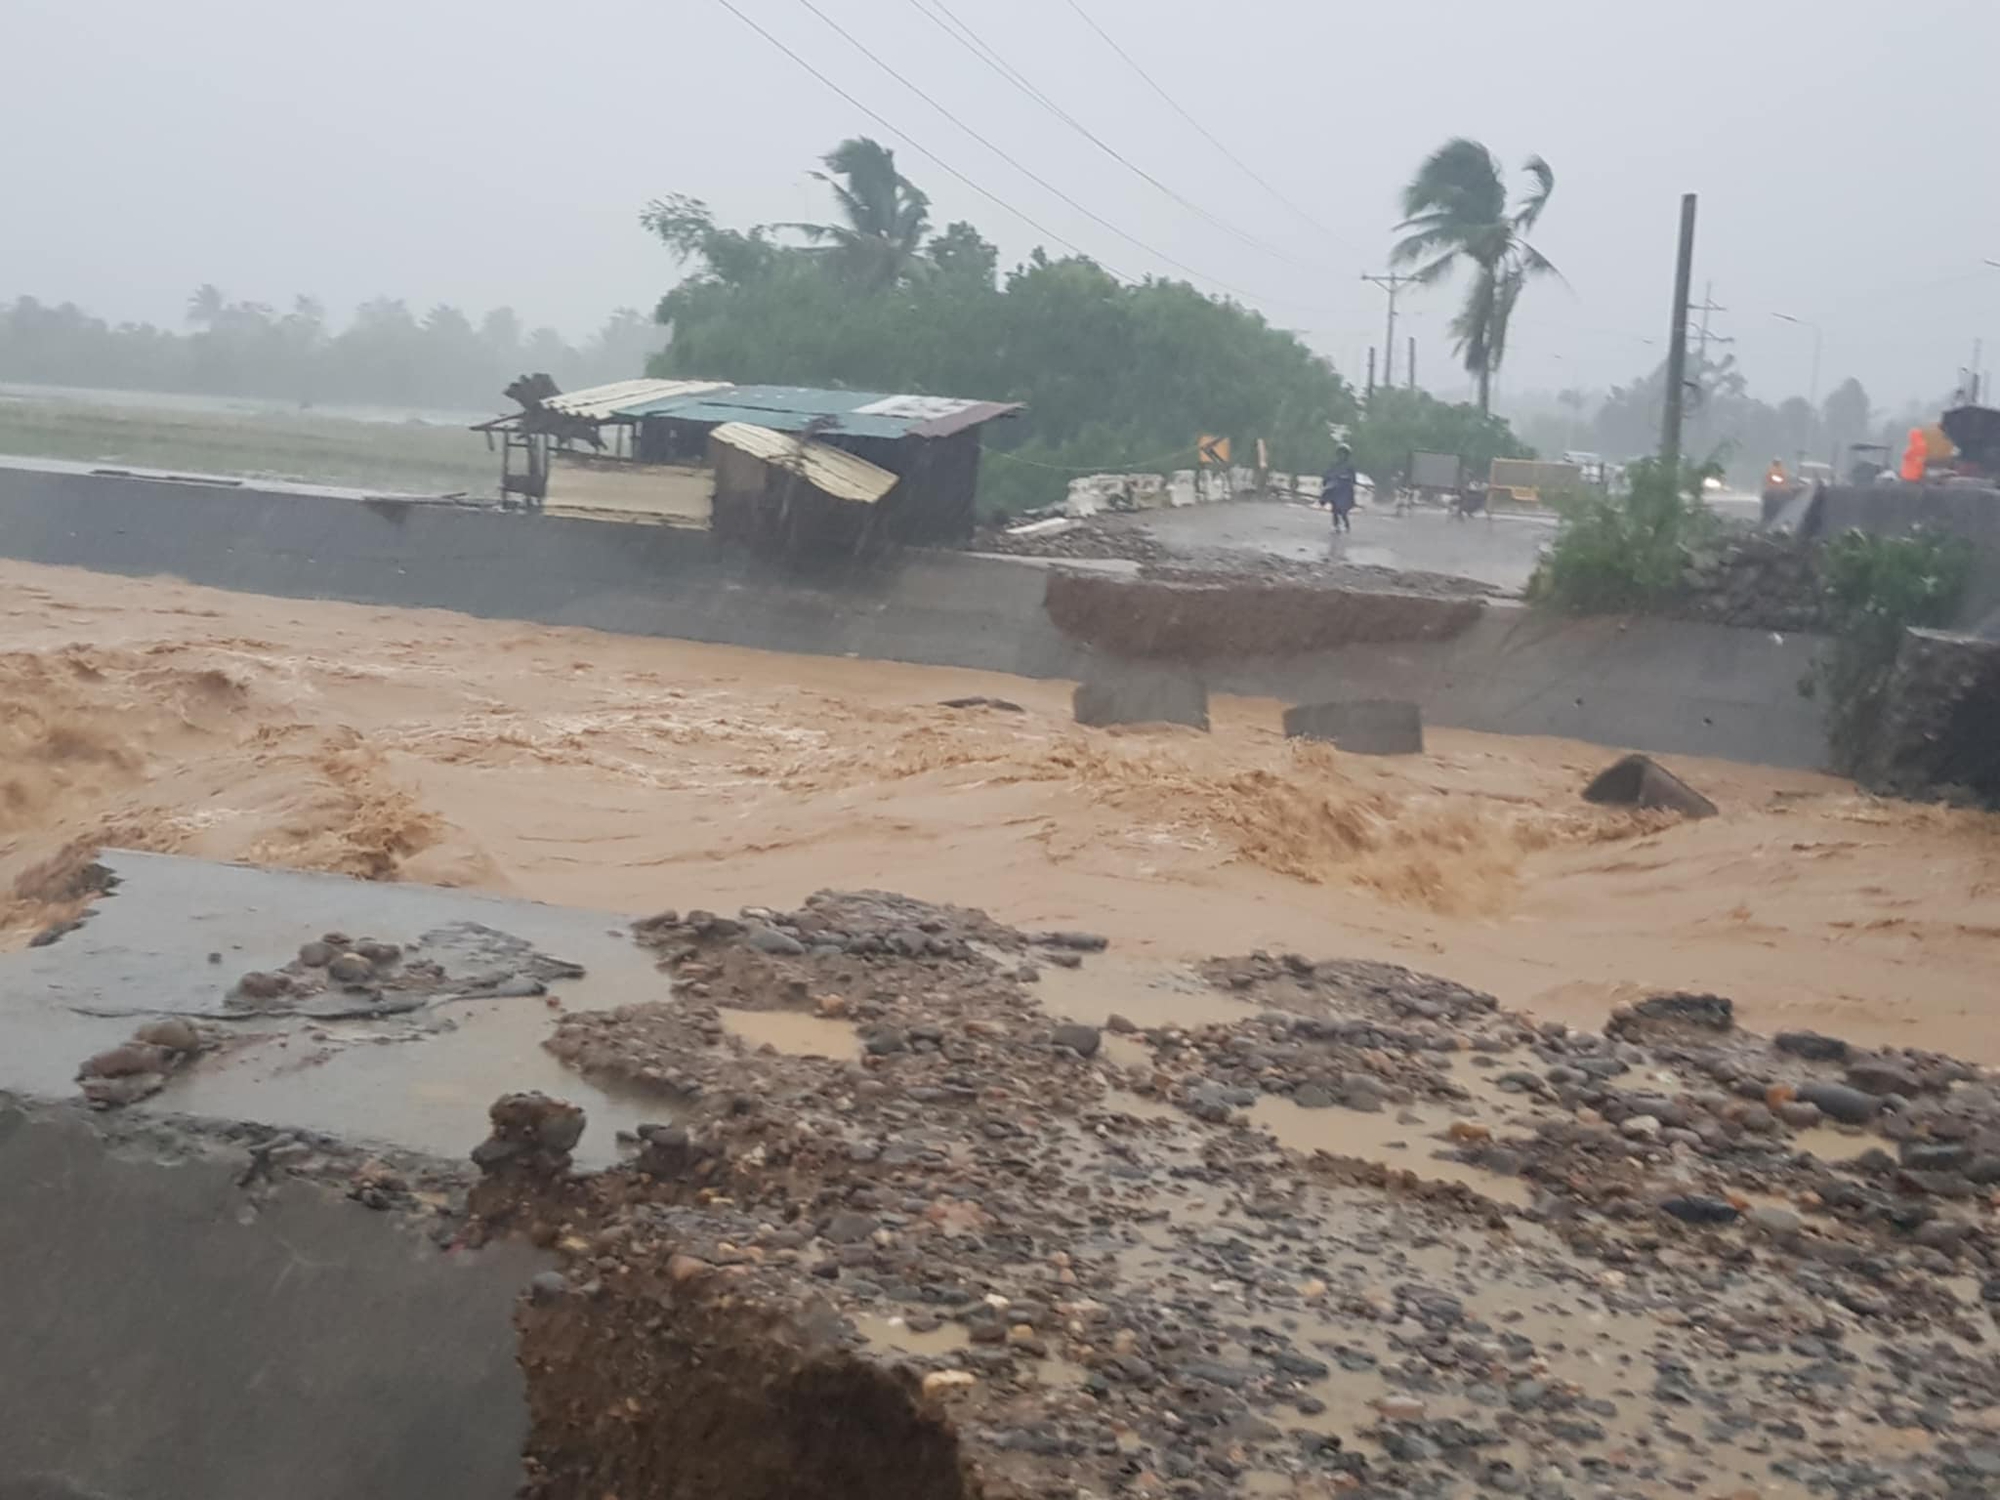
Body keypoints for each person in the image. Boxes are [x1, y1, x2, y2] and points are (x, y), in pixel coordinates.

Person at [1322, 446, 1357, 534]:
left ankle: (1346, 525)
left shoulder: (1349, 466)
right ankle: (1336, 525)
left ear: (1347, 455)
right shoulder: (1334, 464)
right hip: (1334, 489)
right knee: (1334, 508)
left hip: (1345, 490)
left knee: (1343, 509)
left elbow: (1353, 479)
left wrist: (1345, 478)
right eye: (1340, 453)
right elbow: (1328, 474)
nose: (1341, 455)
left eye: (1343, 454)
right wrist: (1327, 480)